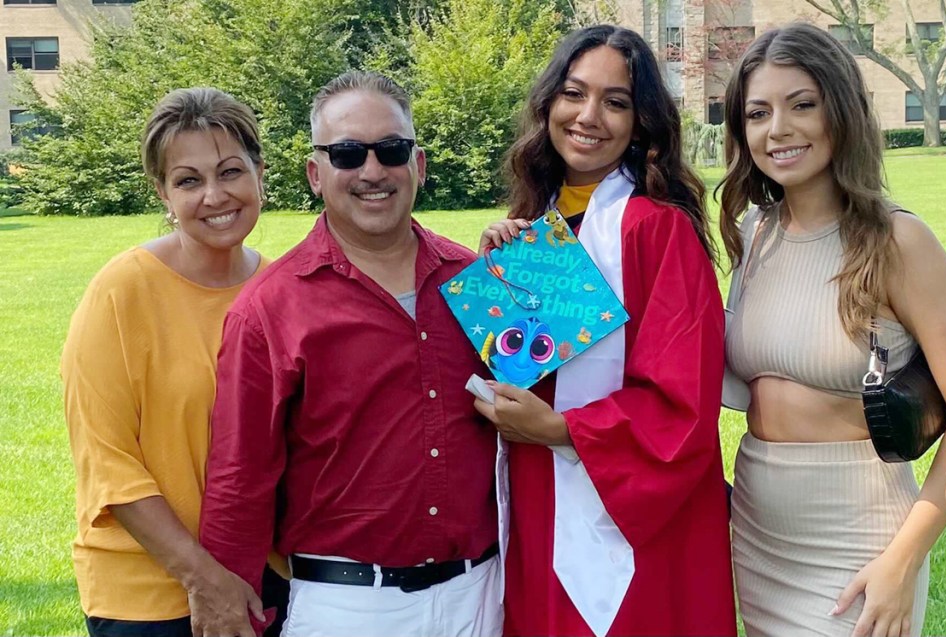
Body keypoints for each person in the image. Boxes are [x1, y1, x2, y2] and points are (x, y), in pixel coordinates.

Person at [718, 23, 946, 637]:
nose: (779, 130)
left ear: (840, 111)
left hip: (862, 537)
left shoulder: (898, 240)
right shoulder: (756, 236)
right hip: (758, 528)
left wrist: (903, 560)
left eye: (802, 105)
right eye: (758, 112)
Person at [198, 71, 501, 637]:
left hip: (482, 595)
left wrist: (532, 269)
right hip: (350, 608)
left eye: (391, 150)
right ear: (316, 173)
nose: (371, 171)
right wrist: (223, 596)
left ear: (420, 165)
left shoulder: (478, 282)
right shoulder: (270, 309)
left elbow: (553, 399)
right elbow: (241, 475)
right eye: (346, 153)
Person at [476, 25, 736, 637]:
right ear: (548, 105)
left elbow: (684, 408)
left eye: (615, 102)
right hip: (540, 487)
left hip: (631, 504)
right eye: (573, 93)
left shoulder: (656, 232)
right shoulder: (531, 228)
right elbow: (521, 364)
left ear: (640, 122)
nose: (589, 116)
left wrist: (563, 430)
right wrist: (494, 277)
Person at [61, 87, 285, 637]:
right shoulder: (122, 292)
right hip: (149, 599)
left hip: (267, 582)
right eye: (188, 180)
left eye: (230, 171)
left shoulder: (279, 289)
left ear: (259, 173)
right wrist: (205, 580)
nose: (215, 195)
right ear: (163, 192)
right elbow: (108, 463)